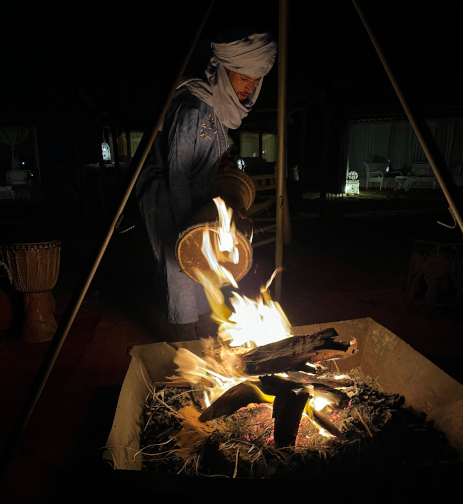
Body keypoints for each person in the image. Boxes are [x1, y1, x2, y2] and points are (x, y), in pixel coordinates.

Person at [136, 29, 277, 341]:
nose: (249, 87)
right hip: (173, 201)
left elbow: (209, 154)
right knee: (182, 270)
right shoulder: (191, 110)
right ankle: (186, 342)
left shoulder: (216, 108)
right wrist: (193, 228)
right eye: (244, 78)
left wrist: (221, 167)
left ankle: (204, 339)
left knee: (203, 270)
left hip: (197, 201)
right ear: (224, 71)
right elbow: (177, 175)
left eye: (255, 81)